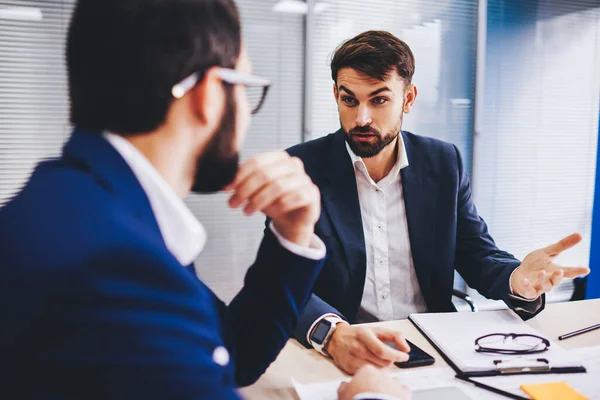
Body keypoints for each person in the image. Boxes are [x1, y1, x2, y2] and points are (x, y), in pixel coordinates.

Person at [0, 3, 408, 399]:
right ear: (210, 94)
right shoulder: (117, 263)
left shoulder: (83, 204)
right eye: (245, 88)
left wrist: (292, 236)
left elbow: (229, 355)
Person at [287, 30, 591, 375]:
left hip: (433, 345)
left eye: (379, 100)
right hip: (342, 349)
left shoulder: (443, 162)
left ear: (408, 98)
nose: (361, 119)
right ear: (336, 96)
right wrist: (333, 334)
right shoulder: (300, 170)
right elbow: (283, 280)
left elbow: (475, 252)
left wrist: (517, 279)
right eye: (350, 100)